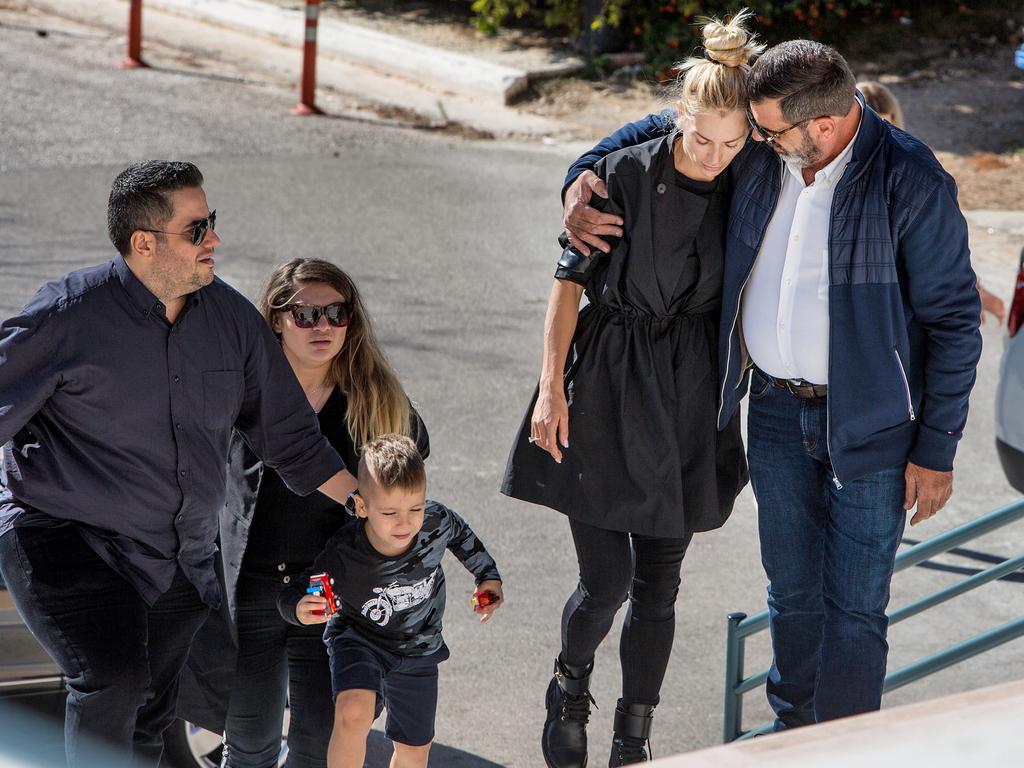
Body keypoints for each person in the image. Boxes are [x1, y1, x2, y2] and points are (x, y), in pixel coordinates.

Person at [561, 41, 982, 731]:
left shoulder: (910, 179)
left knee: (853, 611)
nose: (753, 139)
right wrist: (580, 177)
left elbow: (954, 323)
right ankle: (792, 736)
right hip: (778, 415)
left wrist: (936, 449)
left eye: (770, 129)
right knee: (790, 595)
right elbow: (659, 127)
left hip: (873, 430)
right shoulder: (769, 146)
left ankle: (839, 749)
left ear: (823, 123)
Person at [0, 161, 358, 767]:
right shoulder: (69, 314)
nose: (214, 239)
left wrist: (364, 502)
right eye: (196, 229)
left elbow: (291, 437)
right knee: (110, 682)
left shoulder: (233, 321)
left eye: (210, 222)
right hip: (66, 537)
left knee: (146, 721)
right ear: (145, 244)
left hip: (177, 561)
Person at [502, 11, 758, 766]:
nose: (715, 155)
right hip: (609, 385)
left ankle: (632, 737)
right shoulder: (618, 175)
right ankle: (569, 682)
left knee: (661, 587)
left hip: (690, 394)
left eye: (733, 142)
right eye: (703, 137)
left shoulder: (753, 180)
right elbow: (566, 290)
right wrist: (551, 391)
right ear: (678, 115)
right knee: (606, 579)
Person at [178, 259, 429, 768]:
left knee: (320, 748)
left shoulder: (376, 400)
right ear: (274, 319)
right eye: (306, 314)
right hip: (249, 591)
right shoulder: (239, 394)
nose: (323, 327)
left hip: (331, 595)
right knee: (248, 748)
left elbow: (408, 478)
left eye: (337, 313)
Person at [278, 434, 503, 768]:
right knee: (353, 713)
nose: (405, 522)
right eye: (390, 512)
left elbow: (463, 538)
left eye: (415, 507)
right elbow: (300, 590)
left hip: (419, 647)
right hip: (359, 639)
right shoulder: (344, 554)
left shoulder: (435, 522)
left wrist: (488, 579)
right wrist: (301, 608)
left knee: (414, 749)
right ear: (362, 507)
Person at [857, 79, 1006, 327]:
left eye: (887, 125)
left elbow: (940, 243)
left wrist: (975, 290)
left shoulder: (913, 166)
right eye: (872, 124)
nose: (880, 135)